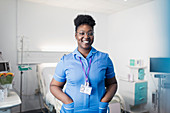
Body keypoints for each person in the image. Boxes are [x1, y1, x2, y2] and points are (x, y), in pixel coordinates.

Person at [50, 14, 117, 113]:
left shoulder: (104, 59)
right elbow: (54, 86)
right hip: (71, 110)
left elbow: (113, 84)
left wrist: (104, 102)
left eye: (90, 33)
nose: (86, 37)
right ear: (76, 35)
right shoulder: (66, 61)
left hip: (97, 110)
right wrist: (68, 102)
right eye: (82, 33)